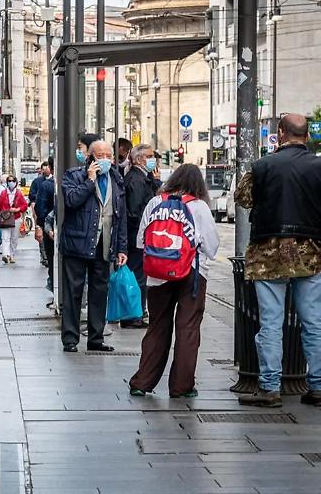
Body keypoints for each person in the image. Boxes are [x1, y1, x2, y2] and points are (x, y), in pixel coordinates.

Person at [235, 114, 321, 408]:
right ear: (306, 135)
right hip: (311, 253)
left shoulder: (262, 166)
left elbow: (243, 197)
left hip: (267, 255)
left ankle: (269, 388)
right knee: (314, 323)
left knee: (271, 323)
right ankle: (318, 387)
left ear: (281, 133)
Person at [129, 164, 219, 398]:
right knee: (187, 329)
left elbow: (141, 241)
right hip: (192, 274)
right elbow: (212, 248)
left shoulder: (155, 203)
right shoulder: (199, 206)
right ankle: (181, 386)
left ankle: (142, 382)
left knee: (157, 327)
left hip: (157, 274)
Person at [60, 140, 127, 353]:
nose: (105, 159)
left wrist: (121, 247)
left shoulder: (116, 179)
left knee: (100, 292)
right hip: (77, 243)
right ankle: (70, 339)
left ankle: (96, 338)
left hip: (104, 244)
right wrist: (89, 181)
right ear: (90, 157)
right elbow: (71, 201)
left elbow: (120, 215)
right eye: (100, 155)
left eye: (109, 155)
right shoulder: (73, 176)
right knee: (73, 292)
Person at [121, 144, 161, 329]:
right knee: (137, 275)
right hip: (136, 235)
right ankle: (133, 315)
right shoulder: (136, 180)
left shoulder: (142, 178)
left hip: (137, 235)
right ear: (139, 160)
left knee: (139, 275)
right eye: (150, 156)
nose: (153, 160)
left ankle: (135, 313)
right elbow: (137, 210)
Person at [0, 174, 29, 264]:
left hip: (16, 218)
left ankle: (11, 254)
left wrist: (18, 209)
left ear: (16, 182)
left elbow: (25, 205)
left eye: (12, 181)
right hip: (5, 218)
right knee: (5, 237)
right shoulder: (3, 193)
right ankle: (5, 255)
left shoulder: (19, 193)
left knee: (14, 238)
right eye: (9, 181)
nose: (11, 183)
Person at [34, 158, 56, 280]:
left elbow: (40, 208)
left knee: (52, 262)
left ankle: (54, 286)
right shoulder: (47, 185)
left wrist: (40, 226)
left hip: (50, 230)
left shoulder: (47, 185)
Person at [29, 161, 49, 266]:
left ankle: (47, 255)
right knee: (41, 233)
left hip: (50, 213)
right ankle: (44, 256)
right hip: (40, 210)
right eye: (44, 168)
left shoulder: (53, 181)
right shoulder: (37, 182)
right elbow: (32, 196)